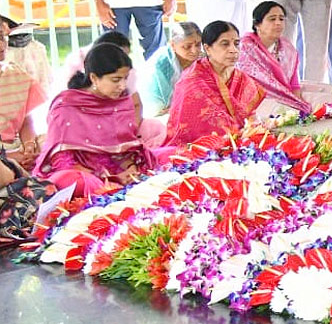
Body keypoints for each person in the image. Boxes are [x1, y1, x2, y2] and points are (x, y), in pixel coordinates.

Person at [36, 44, 164, 198]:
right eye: (116, 80)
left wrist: (130, 168)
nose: (122, 86)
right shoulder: (66, 106)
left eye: (125, 79)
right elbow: (61, 161)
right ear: (94, 78)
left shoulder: (119, 101)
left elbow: (123, 148)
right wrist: (106, 179)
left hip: (114, 170)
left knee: (167, 156)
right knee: (81, 182)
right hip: (82, 173)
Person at [166, 20, 265, 145]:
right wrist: (242, 133)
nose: (233, 50)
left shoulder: (240, 78)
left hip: (240, 138)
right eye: (225, 44)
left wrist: (253, 126)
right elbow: (203, 126)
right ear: (207, 48)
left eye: (236, 44)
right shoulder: (192, 80)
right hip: (200, 145)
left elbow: (251, 115)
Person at [235, 0, 324, 115]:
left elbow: (294, 84)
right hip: (256, 101)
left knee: (328, 99)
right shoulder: (245, 48)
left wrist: (297, 103)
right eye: (272, 19)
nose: (278, 23)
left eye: (281, 19)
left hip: (285, 97)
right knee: (282, 110)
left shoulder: (288, 49)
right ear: (257, 24)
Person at [0, 16, 45, 170]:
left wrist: (29, 147)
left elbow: (25, 121)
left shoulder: (16, 75)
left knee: (50, 143)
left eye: (2, 37)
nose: (1, 45)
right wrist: (9, 158)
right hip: (5, 156)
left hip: (14, 147)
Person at [143, 21, 202, 117]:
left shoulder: (202, 59)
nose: (194, 51)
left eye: (198, 45)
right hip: (159, 112)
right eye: (187, 47)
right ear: (172, 45)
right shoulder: (162, 64)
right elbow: (159, 106)